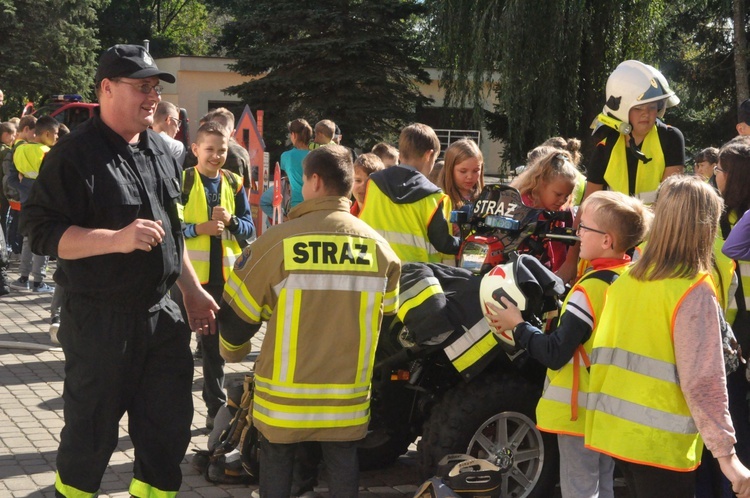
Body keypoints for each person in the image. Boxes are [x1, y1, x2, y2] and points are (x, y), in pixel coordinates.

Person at [20, 44, 219, 498]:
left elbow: (172, 230)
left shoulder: (164, 152)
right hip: (99, 321)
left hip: (163, 317)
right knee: (89, 439)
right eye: (141, 87)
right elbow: (39, 232)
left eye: (155, 88)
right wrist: (115, 239)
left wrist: (190, 289)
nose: (152, 97)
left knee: (166, 435)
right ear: (107, 89)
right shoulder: (72, 154)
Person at [218, 144, 401, 497]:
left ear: (315, 181)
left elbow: (238, 317)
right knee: (343, 458)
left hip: (285, 400)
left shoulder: (277, 242)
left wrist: (232, 353)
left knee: (277, 460)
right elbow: (388, 317)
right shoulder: (381, 250)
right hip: (346, 395)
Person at [584, 175, 750, 498]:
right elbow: (703, 381)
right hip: (660, 445)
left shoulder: (627, 279)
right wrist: (728, 458)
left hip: (616, 435)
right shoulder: (692, 290)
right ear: (704, 228)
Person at [484, 190, 651, 498]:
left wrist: (517, 325)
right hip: (608, 406)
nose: (577, 233)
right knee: (603, 482)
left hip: (578, 410)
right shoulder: (630, 279)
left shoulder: (587, 292)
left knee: (580, 488)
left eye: (585, 227)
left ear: (607, 240)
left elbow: (554, 353)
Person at [180, 121, 255, 429]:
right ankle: (173, 408)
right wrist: (199, 229)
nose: (215, 156)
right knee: (175, 348)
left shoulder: (234, 183)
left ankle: (216, 410)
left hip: (222, 282)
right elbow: (169, 228)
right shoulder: (183, 181)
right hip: (186, 282)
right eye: (209, 149)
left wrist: (233, 221)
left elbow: (249, 230)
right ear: (196, 150)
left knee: (214, 352)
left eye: (221, 150)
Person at [359, 123, 459, 263]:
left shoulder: (372, 184)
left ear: (400, 154)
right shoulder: (435, 197)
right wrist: (463, 243)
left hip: (375, 270)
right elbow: (443, 244)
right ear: (428, 155)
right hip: (416, 277)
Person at [8, 115, 60, 293]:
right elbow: (53, 181)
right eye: (55, 134)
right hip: (45, 203)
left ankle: (23, 278)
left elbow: (12, 178)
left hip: (25, 200)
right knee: (42, 241)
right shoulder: (48, 152)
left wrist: (24, 187)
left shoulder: (19, 149)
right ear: (46, 133)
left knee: (27, 240)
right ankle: (38, 281)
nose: (57, 138)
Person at [510, 149, 578, 272]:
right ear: (541, 183)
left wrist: (557, 279)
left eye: (567, 196)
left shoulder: (560, 212)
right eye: (558, 194)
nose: (563, 200)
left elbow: (559, 249)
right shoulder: (521, 204)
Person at [3, 114, 36, 255]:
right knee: (18, 226)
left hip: (15, 191)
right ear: (27, 129)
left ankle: (14, 250)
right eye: (35, 132)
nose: (36, 136)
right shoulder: (23, 148)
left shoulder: (16, 146)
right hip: (20, 193)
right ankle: (15, 250)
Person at [437, 138, 484, 210]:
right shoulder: (439, 199)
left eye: (475, 171)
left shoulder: (486, 199)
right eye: (463, 171)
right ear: (450, 170)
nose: (470, 176)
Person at [351, 152, 384, 216]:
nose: (363, 185)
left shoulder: (386, 214)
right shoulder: (348, 215)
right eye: (358, 180)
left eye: (369, 182)